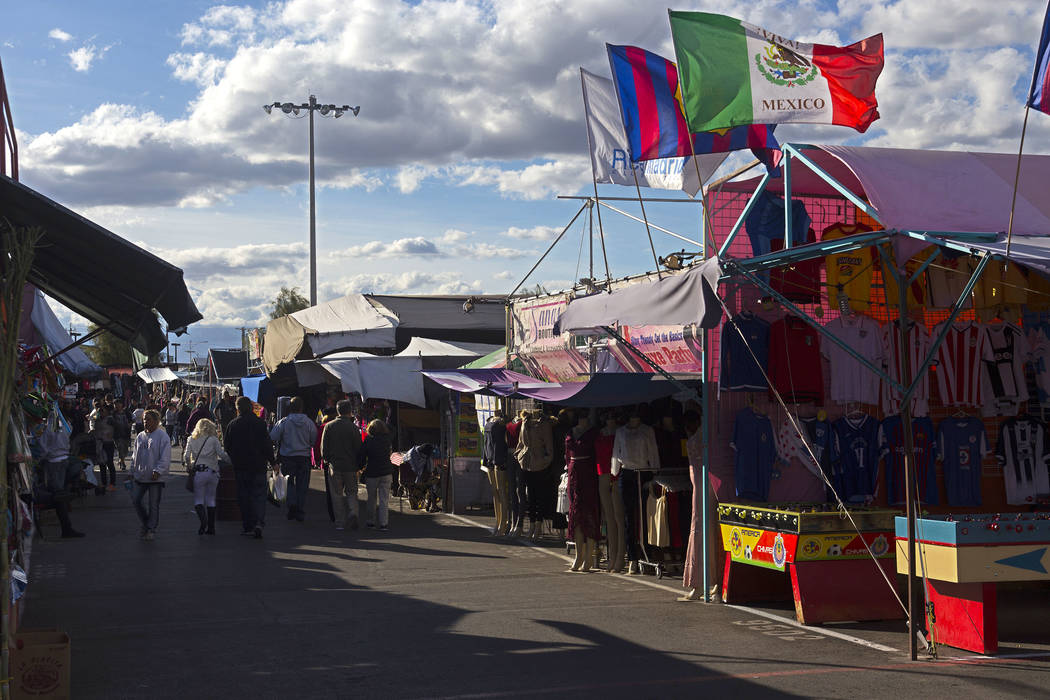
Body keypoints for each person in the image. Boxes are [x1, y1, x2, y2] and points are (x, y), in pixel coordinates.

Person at [224, 396, 272, 538]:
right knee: (259, 496)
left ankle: (248, 526)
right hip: (258, 465)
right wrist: (273, 461)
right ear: (251, 407)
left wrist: (234, 458)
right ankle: (258, 522)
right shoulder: (260, 423)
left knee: (244, 496)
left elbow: (227, 446)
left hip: (241, 466)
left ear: (238, 409)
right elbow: (267, 445)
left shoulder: (233, 425)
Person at [35, 416, 85, 538]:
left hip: (54, 462)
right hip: (63, 460)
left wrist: (38, 459)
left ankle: (66, 527)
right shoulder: (64, 423)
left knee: (57, 495)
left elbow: (44, 447)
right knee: (58, 494)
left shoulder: (48, 427)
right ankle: (66, 526)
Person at [269, 396, 318, 521]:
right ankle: (300, 509)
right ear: (302, 408)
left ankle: (292, 504)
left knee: (289, 482)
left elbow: (273, 436)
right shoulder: (309, 423)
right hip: (304, 456)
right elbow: (313, 438)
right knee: (302, 484)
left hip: (288, 456)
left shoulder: (284, 422)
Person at [321, 400, 363, 531]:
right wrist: (359, 464)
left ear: (338, 411)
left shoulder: (329, 426)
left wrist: (327, 460)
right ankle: (353, 513)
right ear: (350, 411)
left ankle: (340, 522)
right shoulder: (354, 428)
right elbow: (358, 448)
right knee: (352, 493)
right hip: (351, 466)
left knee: (337, 494)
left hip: (335, 465)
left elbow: (324, 449)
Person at [183, 418, 230, 535]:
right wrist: (231, 461)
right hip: (213, 472)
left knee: (199, 499)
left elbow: (186, 455)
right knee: (211, 499)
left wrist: (189, 466)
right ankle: (211, 527)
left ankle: (203, 521)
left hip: (199, 472)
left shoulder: (191, 439)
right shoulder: (213, 439)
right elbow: (221, 454)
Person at [130, 409, 171, 541]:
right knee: (136, 500)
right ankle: (146, 522)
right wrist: (132, 471)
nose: (145, 422)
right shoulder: (140, 436)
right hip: (141, 475)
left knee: (153, 504)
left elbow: (165, 456)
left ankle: (151, 528)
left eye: (148, 419)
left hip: (155, 477)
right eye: (144, 420)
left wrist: (158, 470)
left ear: (156, 421)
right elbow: (134, 456)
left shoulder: (162, 436)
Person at [360, 419, 393, 531]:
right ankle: (384, 523)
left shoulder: (368, 440)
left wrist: (360, 467)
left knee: (371, 498)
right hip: (386, 472)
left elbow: (362, 456)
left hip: (372, 472)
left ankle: (370, 522)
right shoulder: (387, 440)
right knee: (384, 499)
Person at [93, 405, 117, 493]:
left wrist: (113, 436)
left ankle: (112, 484)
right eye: (99, 411)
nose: (101, 412)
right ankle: (104, 483)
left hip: (108, 443)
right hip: (99, 444)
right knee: (101, 464)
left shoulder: (110, 419)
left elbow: (117, 428)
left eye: (102, 410)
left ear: (107, 411)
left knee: (109, 463)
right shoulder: (98, 420)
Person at [112, 399, 131, 470]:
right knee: (120, 448)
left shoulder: (126, 412)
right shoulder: (113, 414)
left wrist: (129, 424)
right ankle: (122, 463)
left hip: (126, 434)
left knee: (125, 450)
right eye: (115, 404)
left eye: (118, 404)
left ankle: (121, 460)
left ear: (121, 404)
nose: (117, 405)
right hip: (117, 435)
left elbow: (131, 420)